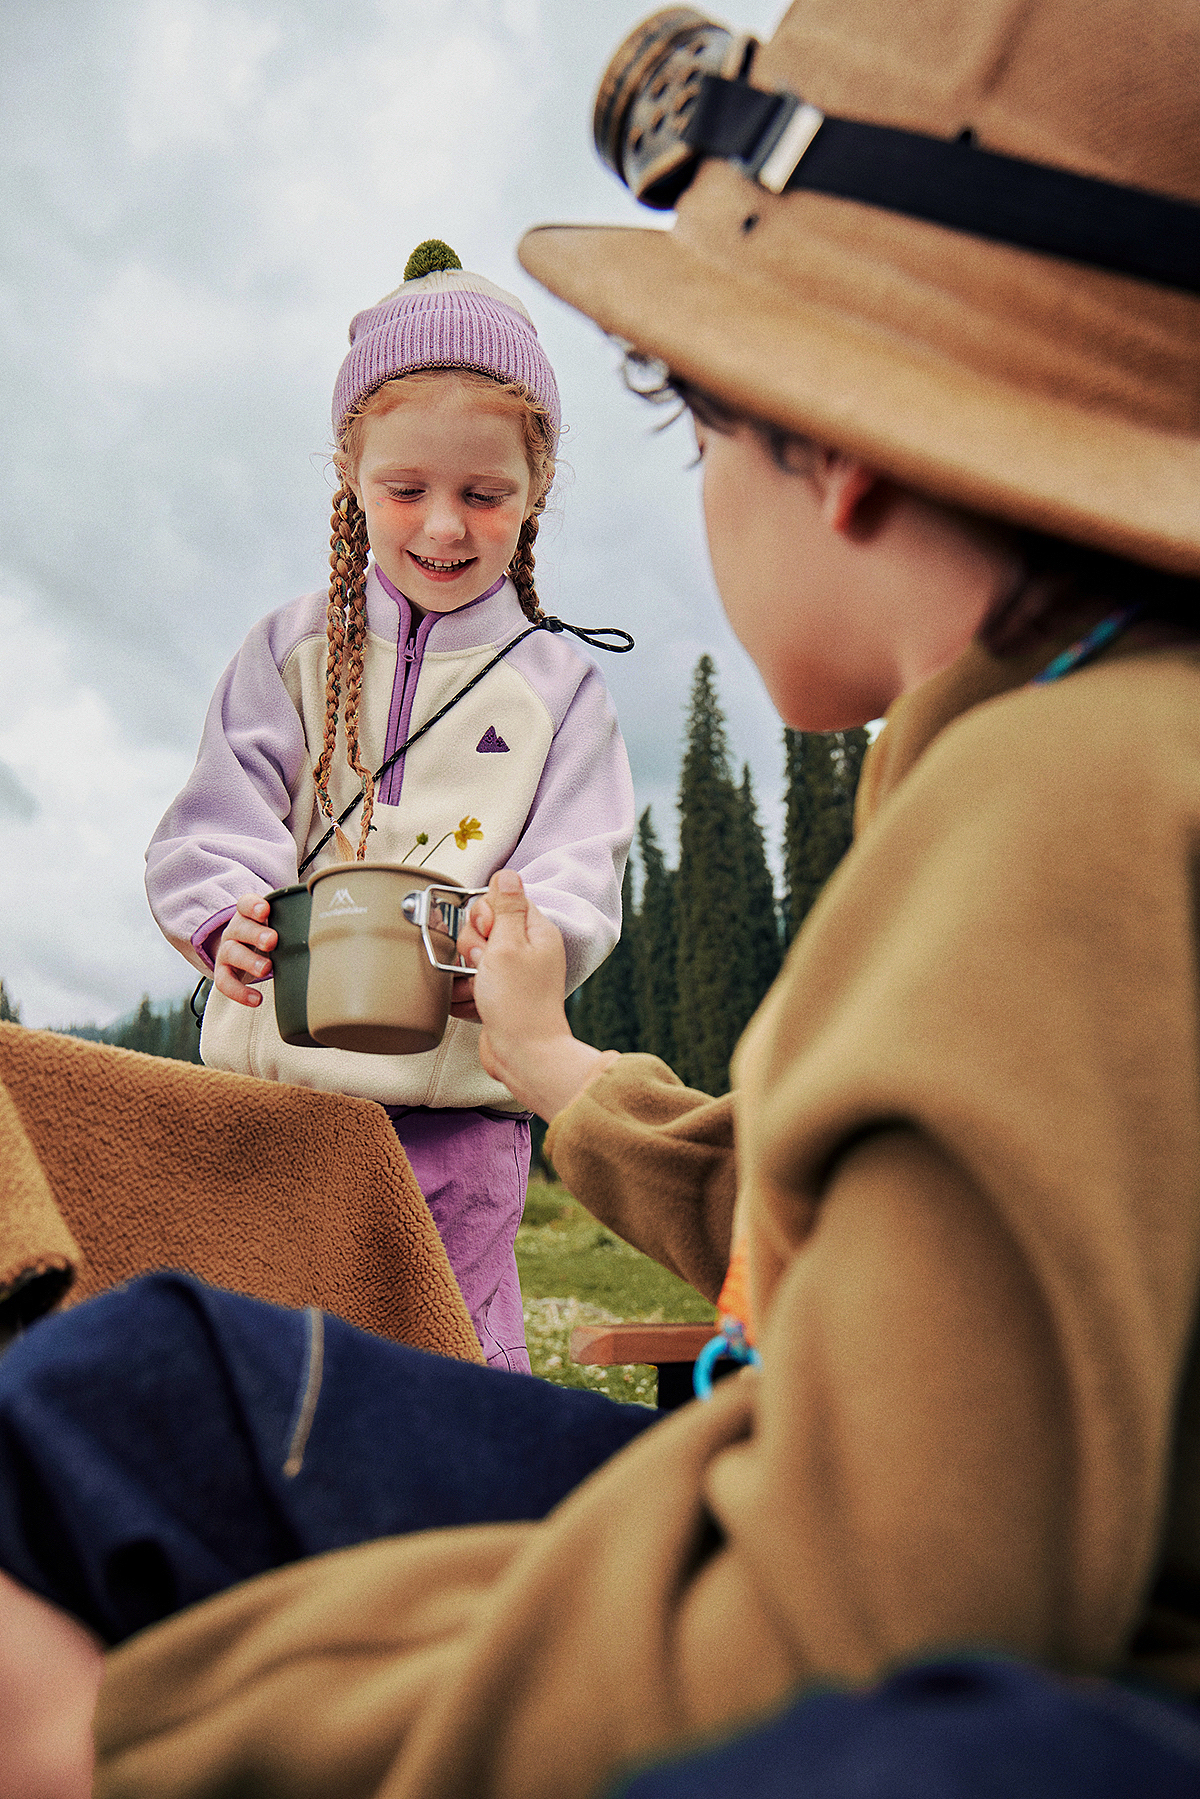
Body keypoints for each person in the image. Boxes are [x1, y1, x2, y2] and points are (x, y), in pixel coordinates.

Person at [3, 0, 1200, 1794]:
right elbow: (873, 1195)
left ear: (839, 444)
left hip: (935, 1637)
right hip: (783, 1456)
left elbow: (882, 1621)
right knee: (141, 1384)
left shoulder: (1058, 808)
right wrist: (566, 1066)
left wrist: (138, 1730)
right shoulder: (1068, 745)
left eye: (700, 419)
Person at [143, 239, 634, 1372]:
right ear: (351, 476)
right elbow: (216, 817)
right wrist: (229, 918)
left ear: (537, 488)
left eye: (485, 493)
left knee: (449, 1372)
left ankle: (460, 1548)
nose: (445, 527)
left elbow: (579, 863)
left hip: (463, 1117)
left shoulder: (564, 689)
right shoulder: (290, 647)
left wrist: (521, 943)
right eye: (406, 489)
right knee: (267, 1375)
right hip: (278, 1112)